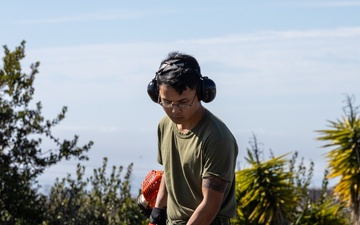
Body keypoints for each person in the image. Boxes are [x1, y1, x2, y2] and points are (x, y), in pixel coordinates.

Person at [146, 51, 238, 225]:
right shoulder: (165, 126)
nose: (174, 110)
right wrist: (157, 213)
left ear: (203, 93)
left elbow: (210, 205)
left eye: (183, 102)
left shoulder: (217, 138)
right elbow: (169, 172)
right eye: (166, 102)